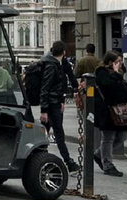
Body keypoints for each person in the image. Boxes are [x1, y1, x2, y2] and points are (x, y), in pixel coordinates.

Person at [94, 51, 127, 177]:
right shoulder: (101, 72)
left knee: (122, 137)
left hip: (121, 111)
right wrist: (117, 74)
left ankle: (99, 154)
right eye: (118, 61)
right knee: (108, 138)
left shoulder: (119, 73)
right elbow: (108, 86)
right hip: (108, 111)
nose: (120, 64)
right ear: (110, 62)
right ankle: (108, 165)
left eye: (121, 61)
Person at [39, 41, 78, 172]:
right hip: (51, 105)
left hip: (55, 102)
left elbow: (58, 86)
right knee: (58, 134)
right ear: (64, 52)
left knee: (46, 134)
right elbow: (46, 88)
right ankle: (68, 162)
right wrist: (44, 110)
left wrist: (61, 100)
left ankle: (40, 158)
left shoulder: (56, 63)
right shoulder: (52, 65)